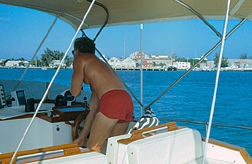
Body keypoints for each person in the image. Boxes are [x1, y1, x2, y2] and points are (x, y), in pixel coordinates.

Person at [70, 37, 134, 152]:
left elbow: (75, 92)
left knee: (93, 147)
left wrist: (78, 85)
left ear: (77, 51)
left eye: (73, 52)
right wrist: (82, 137)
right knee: (114, 147)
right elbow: (93, 111)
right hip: (126, 101)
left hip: (112, 100)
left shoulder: (80, 59)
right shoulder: (100, 67)